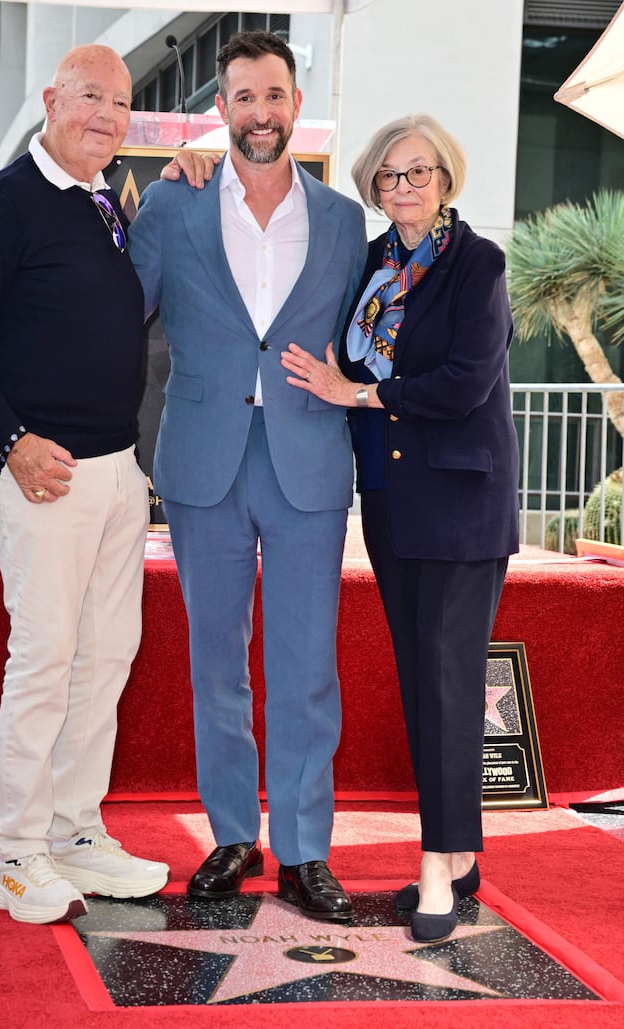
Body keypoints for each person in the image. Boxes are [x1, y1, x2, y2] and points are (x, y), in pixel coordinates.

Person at [0, 44, 173, 925]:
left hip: (112, 471)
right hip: (42, 473)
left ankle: (72, 833)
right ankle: (16, 854)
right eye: (91, 96)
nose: (107, 114)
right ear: (50, 99)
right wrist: (13, 439)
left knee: (105, 658)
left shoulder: (103, 201)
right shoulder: (4, 205)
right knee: (46, 660)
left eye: (121, 102)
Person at [129, 30, 367, 923]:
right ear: (219, 109)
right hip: (204, 460)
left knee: (307, 667)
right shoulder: (172, 204)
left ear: (295, 106)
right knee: (215, 660)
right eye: (244, 98)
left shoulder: (345, 220)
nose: (260, 114)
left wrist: (371, 392)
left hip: (308, 460)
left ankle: (306, 850)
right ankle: (234, 833)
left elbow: (377, 331)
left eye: (274, 96)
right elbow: (116, 306)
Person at [280, 114, 520, 943]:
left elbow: (460, 385)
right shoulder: (377, 265)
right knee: (426, 683)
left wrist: (354, 393)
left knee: (450, 686)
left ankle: (435, 861)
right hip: (388, 499)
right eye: (388, 177)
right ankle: (459, 850)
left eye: (418, 173)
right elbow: (357, 358)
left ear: (447, 177)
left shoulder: (478, 264)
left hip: (460, 505)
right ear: (372, 188)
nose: (404, 188)